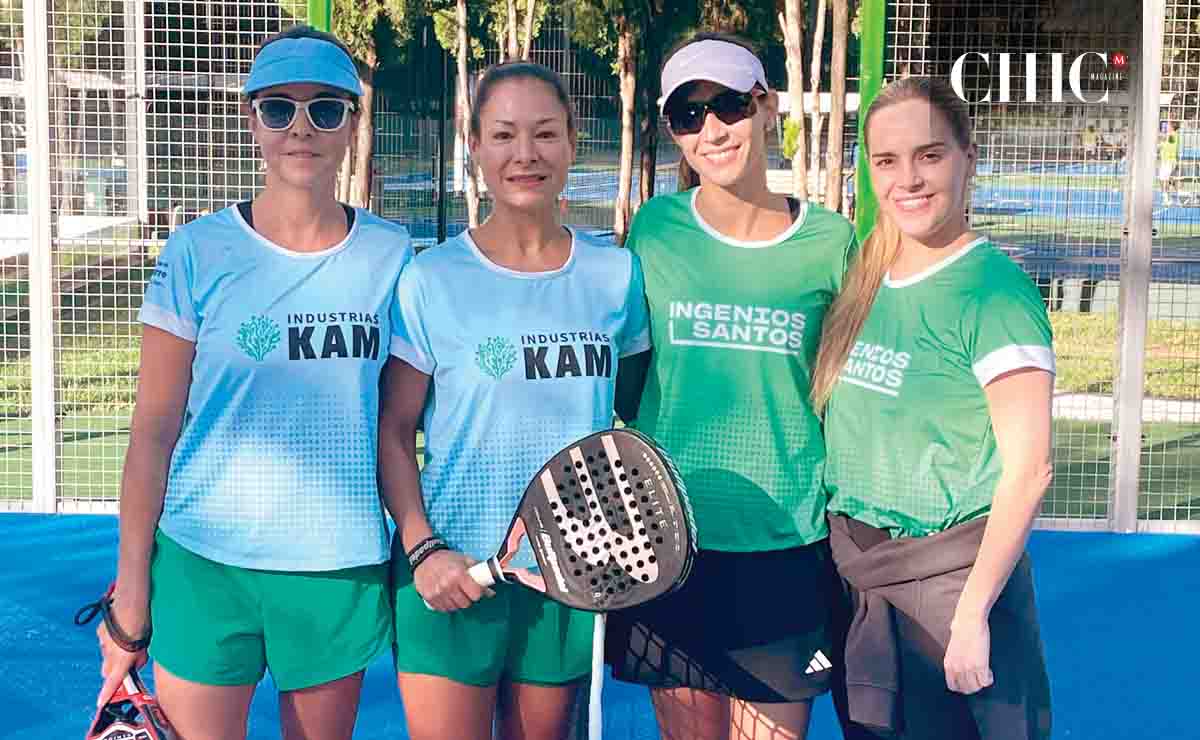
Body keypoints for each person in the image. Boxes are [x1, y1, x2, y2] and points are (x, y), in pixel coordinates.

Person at [94, 25, 412, 740]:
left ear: (353, 124)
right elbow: (152, 429)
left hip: (336, 564)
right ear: (251, 118)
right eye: (279, 108)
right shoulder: (197, 251)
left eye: (325, 109)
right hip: (204, 563)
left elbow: (402, 424)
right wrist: (132, 597)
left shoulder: (393, 256)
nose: (301, 128)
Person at [379, 60, 650, 740]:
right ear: (474, 146)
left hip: (566, 578)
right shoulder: (430, 279)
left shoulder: (616, 275)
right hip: (451, 575)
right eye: (503, 135)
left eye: (544, 134)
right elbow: (394, 429)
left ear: (572, 143)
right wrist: (423, 552)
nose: (524, 154)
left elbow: (638, 415)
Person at [602, 34, 858, 740]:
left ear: (765, 105)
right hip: (667, 545)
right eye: (688, 115)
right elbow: (630, 375)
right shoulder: (655, 229)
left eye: (727, 106)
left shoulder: (831, 243)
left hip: (785, 546)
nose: (712, 129)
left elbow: (850, 391)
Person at [812, 76, 1054, 740]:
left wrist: (973, 616)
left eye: (930, 155)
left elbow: (1029, 470)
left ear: (966, 156)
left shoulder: (992, 292)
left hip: (951, 589)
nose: (908, 179)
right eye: (888, 161)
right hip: (861, 582)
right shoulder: (867, 276)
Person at [1160, 121, 1181, 205]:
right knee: (1168, 180)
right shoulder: (1170, 136)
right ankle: (1170, 197)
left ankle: (1167, 199)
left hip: (1168, 161)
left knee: (1164, 180)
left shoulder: (1173, 135)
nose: (1166, 127)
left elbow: (1169, 139)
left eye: (1168, 125)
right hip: (1167, 161)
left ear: (1172, 127)